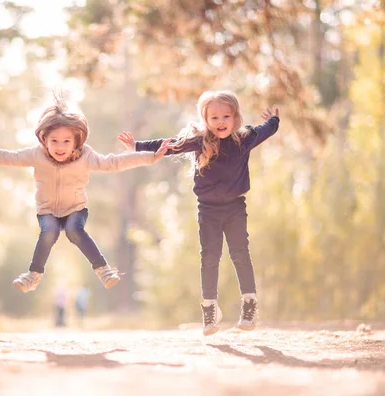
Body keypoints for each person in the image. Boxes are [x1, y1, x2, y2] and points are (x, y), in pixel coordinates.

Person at [0, 96, 170, 293]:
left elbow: (114, 162)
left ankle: (103, 269)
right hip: (47, 210)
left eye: (66, 141)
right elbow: (8, 157)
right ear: (44, 139)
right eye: (54, 141)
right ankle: (33, 275)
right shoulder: (36, 155)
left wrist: (150, 156)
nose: (60, 147)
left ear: (76, 141)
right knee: (49, 230)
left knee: (73, 230)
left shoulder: (86, 156)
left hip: (75, 209)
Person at [118, 90, 280, 336]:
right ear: (205, 119)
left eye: (226, 116)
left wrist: (274, 121)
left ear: (235, 117)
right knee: (209, 257)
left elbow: (267, 130)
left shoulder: (245, 138)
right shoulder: (200, 140)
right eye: (214, 117)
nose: (220, 122)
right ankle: (209, 309)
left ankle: (249, 304)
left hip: (235, 207)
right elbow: (169, 145)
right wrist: (136, 145)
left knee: (240, 253)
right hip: (208, 210)